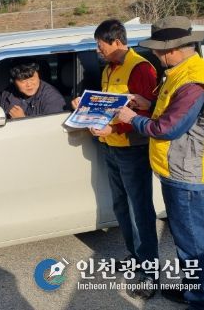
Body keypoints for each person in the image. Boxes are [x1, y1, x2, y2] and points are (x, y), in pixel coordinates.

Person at [117, 16, 204, 309]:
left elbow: (167, 128)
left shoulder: (191, 82)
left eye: (158, 49)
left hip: (187, 175)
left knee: (194, 244)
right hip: (179, 170)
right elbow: (173, 113)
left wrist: (132, 118)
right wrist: (148, 104)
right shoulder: (180, 72)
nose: (155, 54)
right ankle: (193, 292)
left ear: (172, 49)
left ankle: (203, 303)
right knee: (187, 241)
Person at [71, 19, 160, 299]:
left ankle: (149, 272)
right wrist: (87, 112)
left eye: (101, 46)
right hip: (111, 146)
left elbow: (147, 114)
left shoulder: (140, 68)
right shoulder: (110, 68)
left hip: (132, 149)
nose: (98, 51)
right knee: (121, 205)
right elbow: (110, 106)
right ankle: (135, 256)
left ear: (117, 42)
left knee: (140, 210)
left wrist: (114, 129)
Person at [0, 61, 65, 118]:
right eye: (23, 81)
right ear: (14, 81)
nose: (29, 84)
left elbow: (52, 127)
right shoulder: (7, 95)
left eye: (32, 79)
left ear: (38, 75)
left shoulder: (52, 98)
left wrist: (22, 119)